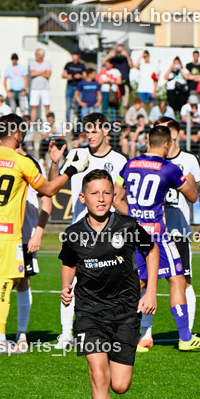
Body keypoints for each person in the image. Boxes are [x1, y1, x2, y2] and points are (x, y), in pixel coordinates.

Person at [0, 114, 87, 353]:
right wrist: (71, 170)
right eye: (23, 132)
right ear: (17, 135)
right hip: (9, 233)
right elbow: (48, 189)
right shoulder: (21, 162)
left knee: (1, 281)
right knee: (6, 282)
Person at [60, 169, 157, 399]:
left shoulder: (128, 226)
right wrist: (66, 287)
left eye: (106, 193)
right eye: (94, 193)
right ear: (82, 198)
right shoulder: (74, 233)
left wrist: (151, 290)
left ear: (114, 197)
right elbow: (68, 261)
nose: (101, 199)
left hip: (126, 311)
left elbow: (151, 251)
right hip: (89, 312)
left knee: (120, 385)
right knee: (98, 373)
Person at [113, 125, 200, 351]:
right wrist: (190, 180)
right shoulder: (170, 168)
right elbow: (194, 196)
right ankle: (185, 339)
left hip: (132, 232)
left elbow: (116, 198)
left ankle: (122, 335)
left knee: (137, 283)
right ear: (166, 144)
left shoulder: (130, 164)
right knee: (177, 279)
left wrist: (134, 215)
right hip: (157, 233)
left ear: (148, 140)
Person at [50, 113, 129, 349]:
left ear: (106, 131)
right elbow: (54, 185)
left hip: (109, 233)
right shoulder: (76, 154)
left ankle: (115, 329)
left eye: (95, 131)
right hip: (81, 231)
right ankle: (66, 333)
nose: (90, 136)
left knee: (113, 282)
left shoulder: (120, 160)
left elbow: (121, 197)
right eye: (87, 131)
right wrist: (55, 163)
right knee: (70, 282)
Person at [156, 116, 200, 332]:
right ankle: (145, 334)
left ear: (175, 134)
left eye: (163, 131)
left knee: (184, 280)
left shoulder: (189, 159)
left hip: (178, 231)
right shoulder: (151, 160)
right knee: (144, 281)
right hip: (153, 232)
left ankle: (187, 331)